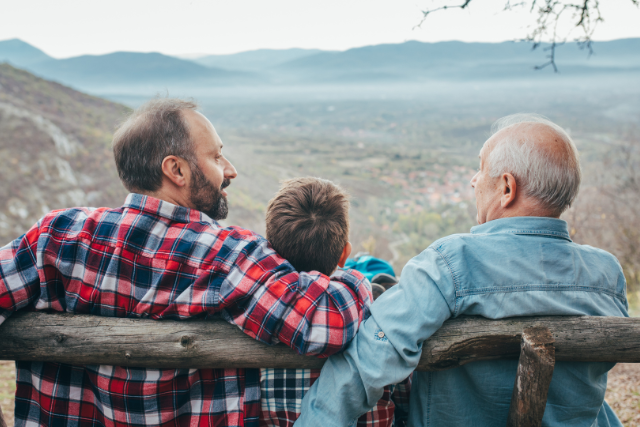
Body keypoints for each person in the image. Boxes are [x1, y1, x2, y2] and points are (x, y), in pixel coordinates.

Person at [0, 98, 371, 427]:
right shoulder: (227, 255)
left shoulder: (58, 236)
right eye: (215, 156)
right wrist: (359, 280)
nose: (230, 170)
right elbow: (327, 322)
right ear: (175, 170)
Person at [294, 113, 629, 427]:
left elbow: (367, 361)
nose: (473, 180)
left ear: (507, 188)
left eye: (481, 170)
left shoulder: (451, 263)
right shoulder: (607, 276)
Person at [259, 177, 410, 427]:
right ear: (345, 254)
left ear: (272, 252)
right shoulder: (381, 319)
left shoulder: (256, 317)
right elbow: (406, 402)